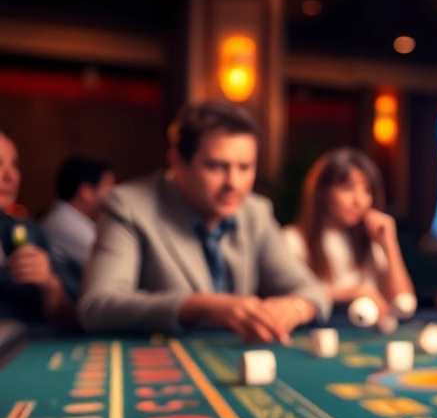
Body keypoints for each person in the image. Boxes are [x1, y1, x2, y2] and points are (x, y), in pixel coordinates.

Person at [79, 102, 330, 341]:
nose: (233, 183)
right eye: (217, 167)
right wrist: (202, 306)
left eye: (245, 168)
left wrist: (295, 308)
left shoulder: (256, 211)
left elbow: (312, 290)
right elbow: (98, 306)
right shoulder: (129, 206)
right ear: (178, 163)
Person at [284, 148, 415, 320]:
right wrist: (353, 293)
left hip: (369, 337)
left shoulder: (372, 239)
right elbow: (287, 297)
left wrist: (389, 244)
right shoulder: (292, 240)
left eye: (367, 190)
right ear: (323, 193)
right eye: (347, 188)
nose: (360, 201)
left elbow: (404, 304)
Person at [0, 128, 78, 325]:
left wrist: (49, 284)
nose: (11, 176)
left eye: (15, 165)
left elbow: (67, 319)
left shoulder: (27, 231)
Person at [41, 157, 115, 281]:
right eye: (109, 188)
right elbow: (112, 265)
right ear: (85, 192)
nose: (114, 196)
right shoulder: (64, 223)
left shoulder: (69, 218)